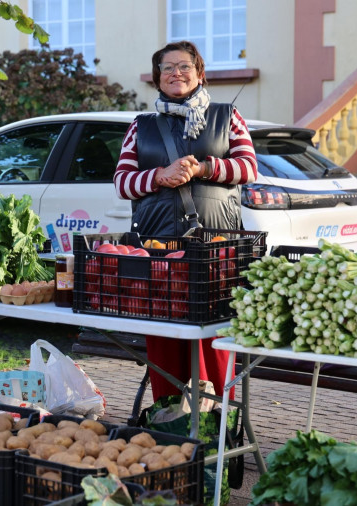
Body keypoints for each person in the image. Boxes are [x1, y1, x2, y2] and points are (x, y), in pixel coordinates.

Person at [114, 40, 258, 401]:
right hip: (157, 248)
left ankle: (218, 416)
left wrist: (205, 167)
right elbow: (122, 182)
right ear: (157, 78)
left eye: (184, 67)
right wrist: (159, 176)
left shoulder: (228, 117)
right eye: (167, 68)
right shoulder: (140, 126)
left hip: (216, 247)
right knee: (163, 335)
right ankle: (167, 416)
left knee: (215, 335)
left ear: (199, 74)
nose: (176, 73)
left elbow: (248, 168)